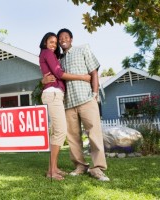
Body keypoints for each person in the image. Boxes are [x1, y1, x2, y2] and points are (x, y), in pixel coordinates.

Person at [43, 28, 110, 181]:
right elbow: (51, 75)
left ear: (71, 39)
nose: (62, 40)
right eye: (60, 38)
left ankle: (98, 168)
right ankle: (80, 165)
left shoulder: (83, 49)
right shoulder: (57, 59)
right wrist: (43, 81)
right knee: (73, 137)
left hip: (86, 98)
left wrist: (94, 94)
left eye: (65, 37)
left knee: (94, 134)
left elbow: (93, 72)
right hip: (67, 103)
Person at [39, 32, 91, 180]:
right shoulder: (47, 53)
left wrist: (43, 81)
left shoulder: (51, 56)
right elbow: (58, 73)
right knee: (61, 131)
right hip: (53, 94)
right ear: (45, 43)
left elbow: (51, 73)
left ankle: (53, 168)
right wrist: (83, 77)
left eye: (55, 43)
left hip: (55, 94)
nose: (54, 45)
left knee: (57, 132)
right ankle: (51, 172)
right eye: (51, 42)